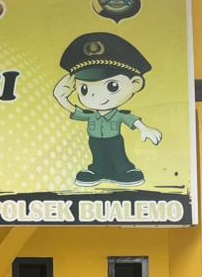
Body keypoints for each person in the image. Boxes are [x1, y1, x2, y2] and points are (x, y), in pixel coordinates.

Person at [52, 31, 163, 188]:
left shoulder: (118, 115)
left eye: (112, 86)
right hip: (95, 141)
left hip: (114, 140)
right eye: (84, 89)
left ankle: (123, 172)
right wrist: (60, 97)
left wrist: (145, 129)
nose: (94, 95)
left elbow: (132, 120)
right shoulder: (90, 115)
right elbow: (74, 109)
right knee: (98, 156)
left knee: (118, 157)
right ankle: (97, 171)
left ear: (135, 84)